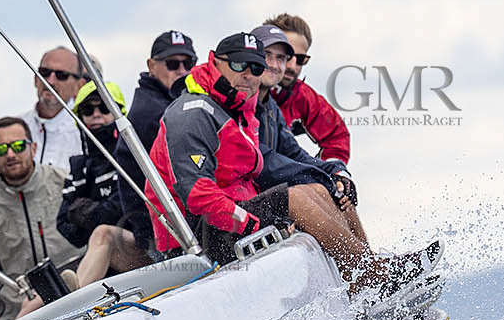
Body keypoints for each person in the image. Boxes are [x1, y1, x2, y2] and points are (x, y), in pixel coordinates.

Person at [145, 33, 391, 290]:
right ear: (216, 62)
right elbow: (198, 195)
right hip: (194, 239)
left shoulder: (239, 112)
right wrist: (256, 224)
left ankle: (368, 279)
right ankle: (372, 277)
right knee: (293, 198)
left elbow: (281, 160)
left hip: (229, 218)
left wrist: (334, 174)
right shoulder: (193, 113)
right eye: (238, 65)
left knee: (321, 189)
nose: (248, 75)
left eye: (255, 68)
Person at [0, 116, 81, 320]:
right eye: (1, 150)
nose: (11, 155)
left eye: (18, 146)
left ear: (33, 148)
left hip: (81, 299)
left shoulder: (67, 182)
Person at [249, 24, 361, 231]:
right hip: (247, 196)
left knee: (337, 194)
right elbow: (262, 159)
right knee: (312, 191)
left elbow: (332, 138)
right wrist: (320, 177)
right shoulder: (241, 95)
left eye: (297, 59)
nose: (290, 65)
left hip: (277, 183)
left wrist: (338, 174)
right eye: (268, 55)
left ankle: (369, 261)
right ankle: (367, 263)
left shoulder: (289, 100)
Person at [58, 80, 153, 288]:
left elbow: (127, 209)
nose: (96, 114)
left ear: (119, 113)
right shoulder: (78, 167)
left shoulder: (132, 154)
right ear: (79, 118)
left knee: (104, 233)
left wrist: (86, 214)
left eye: (105, 107)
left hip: (153, 254)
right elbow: (66, 227)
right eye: (87, 109)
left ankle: (75, 304)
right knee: (42, 291)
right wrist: (96, 214)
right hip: (104, 259)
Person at [114, 30, 195, 258]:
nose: (182, 70)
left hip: (175, 223)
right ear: (151, 65)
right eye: (172, 63)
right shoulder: (153, 112)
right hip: (166, 233)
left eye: (188, 63)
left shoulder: (176, 103)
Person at [264, 12, 351, 163]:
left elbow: (337, 137)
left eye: (300, 59)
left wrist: (332, 175)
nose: (292, 66)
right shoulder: (241, 83)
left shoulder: (304, 97)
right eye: (286, 56)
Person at [17, 46, 87, 171]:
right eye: (44, 72)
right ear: (35, 79)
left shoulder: (86, 131)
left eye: (62, 75)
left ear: (79, 86)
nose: (50, 81)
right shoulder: (16, 127)